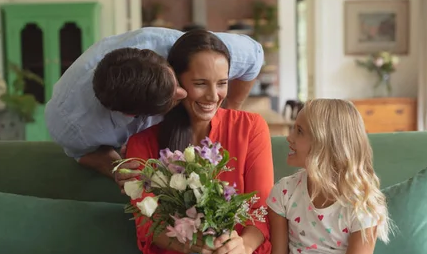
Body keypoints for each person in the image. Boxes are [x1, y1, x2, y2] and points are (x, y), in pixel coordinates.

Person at [124, 29, 274, 254]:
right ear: (177, 85)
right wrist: (188, 243)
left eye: (222, 83)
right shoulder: (142, 144)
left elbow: (262, 212)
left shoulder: (250, 128)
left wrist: (244, 245)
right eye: (200, 84)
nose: (213, 96)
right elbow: (146, 225)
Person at [241, 99, 398, 254]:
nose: (289, 138)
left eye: (299, 131)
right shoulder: (283, 192)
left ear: (328, 143)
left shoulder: (363, 202)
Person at [44, 27, 264, 190]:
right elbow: (82, 152)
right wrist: (117, 168)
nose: (183, 93)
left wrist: (229, 110)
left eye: (176, 82)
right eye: (172, 100)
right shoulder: (70, 123)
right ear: (134, 115)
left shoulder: (185, 51)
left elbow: (254, 55)